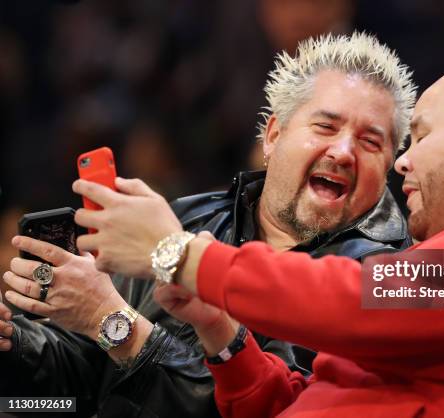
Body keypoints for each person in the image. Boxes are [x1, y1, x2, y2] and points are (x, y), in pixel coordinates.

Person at [71, 61, 444, 417]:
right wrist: (222, 333)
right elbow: (310, 401)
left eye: (418, 135)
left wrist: (181, 254)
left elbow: (357, 299)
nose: (404, 161)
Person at [0, 32, 415, 417]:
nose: (343, 151)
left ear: (388, 170)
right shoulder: (185, 218)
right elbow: (83, 378)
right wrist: (14, 344)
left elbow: (271, 408)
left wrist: (113, 322)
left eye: (370, 141)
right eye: (325, 126)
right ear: (273, 135)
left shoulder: (393, 278)